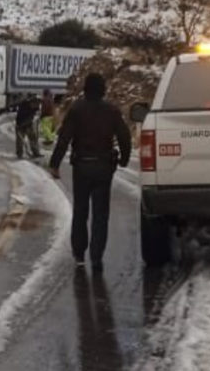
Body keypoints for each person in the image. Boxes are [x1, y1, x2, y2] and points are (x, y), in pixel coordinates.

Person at [50, 73, 131, 272]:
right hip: (104, 167)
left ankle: (79, 253)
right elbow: (124, 136)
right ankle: (96, 256)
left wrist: (55, 164)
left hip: (82, 166)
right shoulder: (111, 111)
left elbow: (64, 138)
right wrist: (124, 158)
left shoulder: (77, 109)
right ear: (103, 89)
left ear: (85, 89)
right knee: (101, 214)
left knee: (80, 211)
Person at [15, 94, 41, 158]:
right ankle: (19, 153)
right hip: (20, 124)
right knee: (20, 140)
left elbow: (35, 114)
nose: (36, 106)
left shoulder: (36, 107)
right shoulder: (24, 105)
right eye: (35, 104)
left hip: (29, 124)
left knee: (33, 137)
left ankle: (36, 152)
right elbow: (19, 117)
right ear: (31, 102)